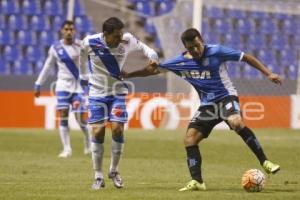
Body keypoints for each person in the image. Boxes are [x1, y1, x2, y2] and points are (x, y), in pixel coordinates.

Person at [122, 28, 281, 191]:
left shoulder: (217, 51)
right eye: (191, 48)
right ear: (186, 48)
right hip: (207, 105)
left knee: (236, 122)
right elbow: (153, 70)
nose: (196, 50)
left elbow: (246, 57)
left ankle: (265, 162)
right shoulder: (179, 62)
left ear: (202, 41)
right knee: (189, 139)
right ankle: (197, 181)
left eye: (198, 45)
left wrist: (268, 73)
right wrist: (129, 75)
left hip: (226, 96)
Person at [79, 17, 158, 190]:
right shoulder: (89, 42)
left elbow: (148, 50)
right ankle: (98, 176)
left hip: (117, 92)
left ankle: (114, 170)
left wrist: (153, 58)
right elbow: (82, 58)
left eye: (120, 34)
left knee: (117, 128)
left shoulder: (127, 40)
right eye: (116, 35)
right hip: (96, 94)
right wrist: (83, 77)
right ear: (105, 35)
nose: (119, 38)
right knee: (98, 132)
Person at [34, 20, 91, 158]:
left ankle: (89, 143)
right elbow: (48, 66)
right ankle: (67, 149)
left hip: (78, 87)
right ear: (62, 31)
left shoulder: (81, 46)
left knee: (80, 119)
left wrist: (90, 82)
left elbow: (89, 64)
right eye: (66, 29)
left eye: (71, 29)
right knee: (63, 114)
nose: (69, 32)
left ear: (75, 31)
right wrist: (38, 83)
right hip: (62, 86)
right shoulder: (55, 48)